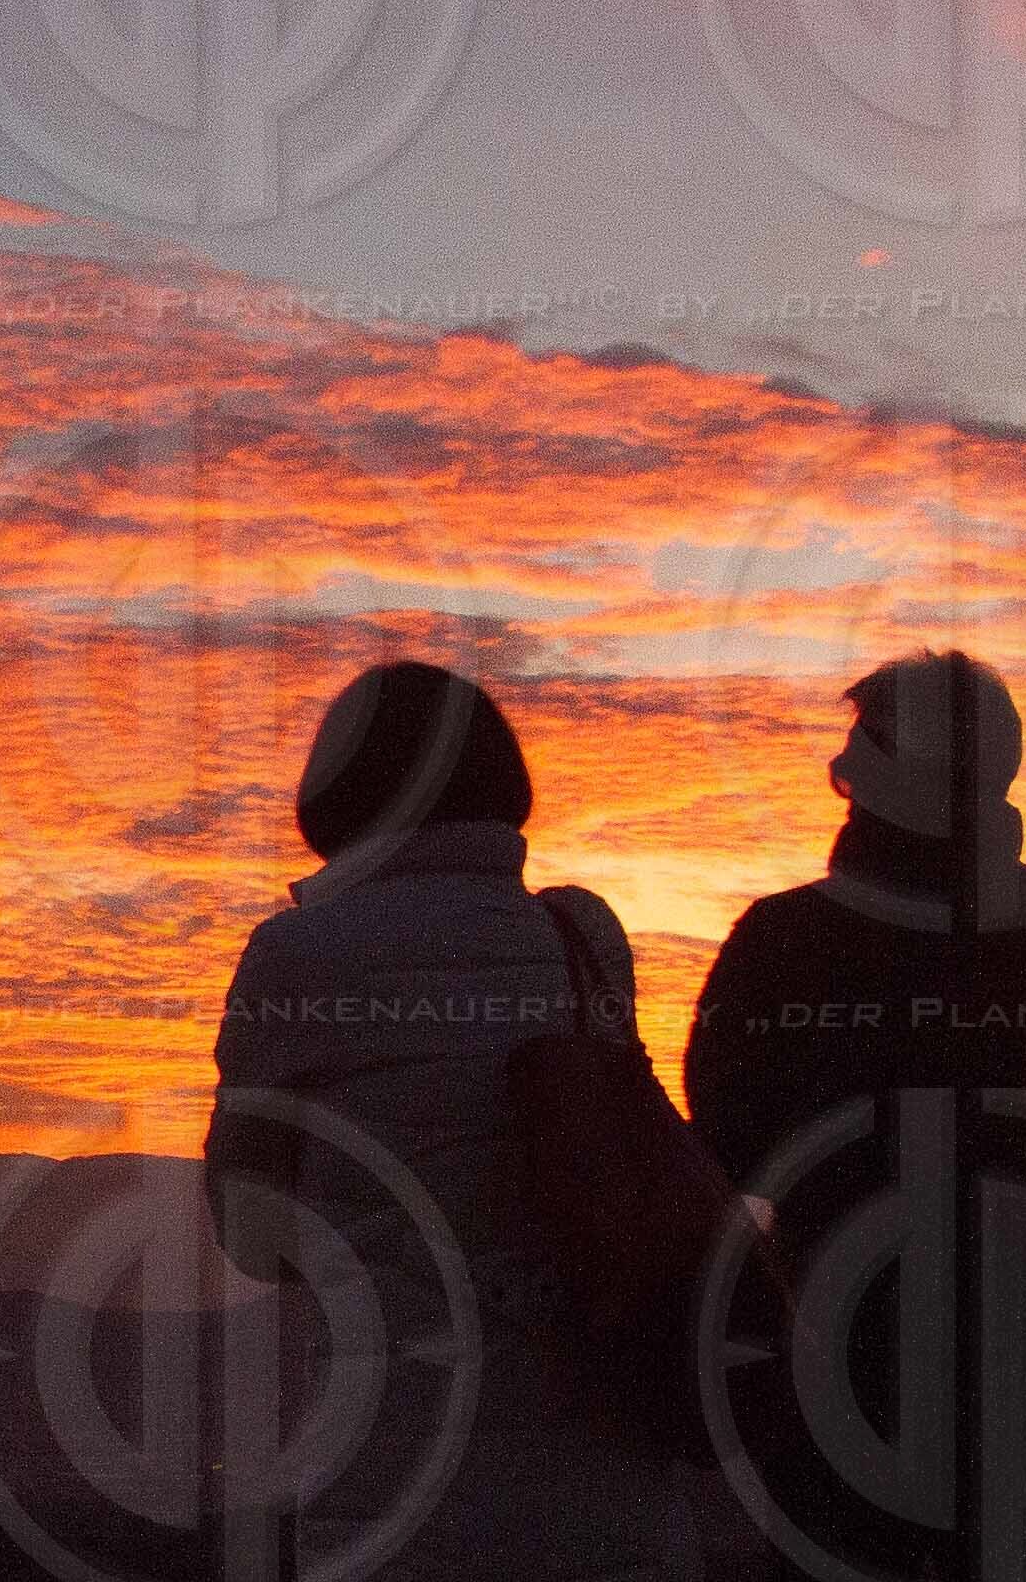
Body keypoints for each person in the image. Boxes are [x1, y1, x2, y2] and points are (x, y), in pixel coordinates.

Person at [205, 660, 698, 1582]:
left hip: (397, 1462)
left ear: (337, 789)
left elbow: (250, 1228)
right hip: (615, 1449)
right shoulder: (582, 937)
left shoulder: (296, 955)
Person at [683, 649, 1026, 1577]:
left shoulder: (786, 937)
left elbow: (728, 1138)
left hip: (849, 1353)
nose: (842, 774)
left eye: (858, 752)